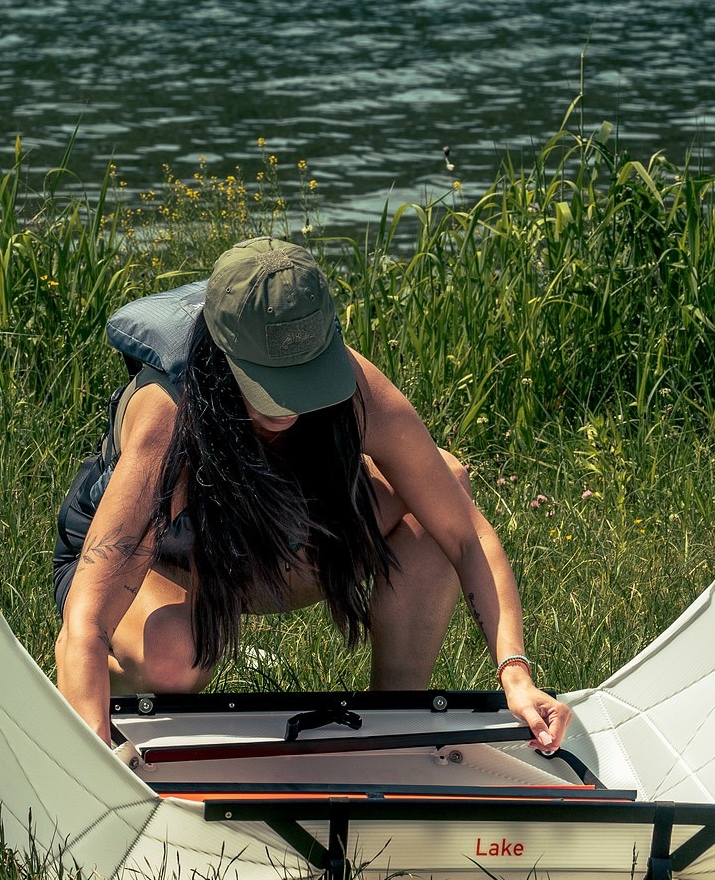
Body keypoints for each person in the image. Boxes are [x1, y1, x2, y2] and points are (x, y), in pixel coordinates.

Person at [52, 237, 572, 754]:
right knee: (173, 653)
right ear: (220, 354)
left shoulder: (358, 387)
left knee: (445, 485)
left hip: (259, 544)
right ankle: (108, 703)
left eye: (304, 378)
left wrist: (516, 676)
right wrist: (93, 764)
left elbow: (467, 536)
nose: (289, 405)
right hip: (167, 567)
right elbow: (87, 620)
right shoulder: (166, 419)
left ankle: (391, 725)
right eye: (268, 383)